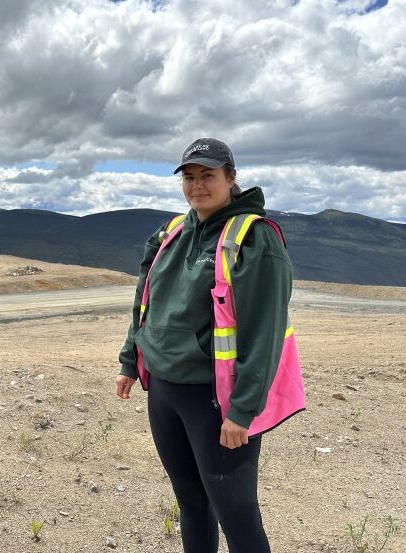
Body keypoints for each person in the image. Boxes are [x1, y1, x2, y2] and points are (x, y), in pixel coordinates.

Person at [116, 138, 300, 553]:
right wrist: (130, 359)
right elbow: (145, 302)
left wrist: (242, 410)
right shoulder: (172, 232)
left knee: (237, 515)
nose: (197, 186)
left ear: (231, 179)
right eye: (190, 177)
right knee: (192, 504)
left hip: (214, 401)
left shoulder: (254, 239)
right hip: (164, 390)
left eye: (209, 176)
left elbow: (264, 332)